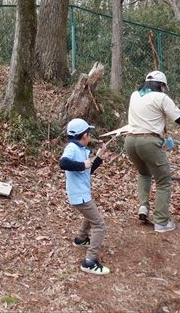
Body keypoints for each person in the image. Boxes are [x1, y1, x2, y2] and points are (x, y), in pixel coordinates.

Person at [124, 70, 180, 233]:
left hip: (130, 141)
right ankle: (162, 221)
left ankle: (143, 206)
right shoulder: (161, 97)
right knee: (163, 180)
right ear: (161, 85)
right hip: (149, 141)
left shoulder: (134, 95)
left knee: (144, 173)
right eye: (164, 87)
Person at [59, 118, 110, 275]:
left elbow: (88, 170)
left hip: (82, 194)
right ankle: (90, 261)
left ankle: (81, 239)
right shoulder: (72, 148)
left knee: (90, 216)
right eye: (89, 134)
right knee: (99, 224)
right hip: (79, 195)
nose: (90, 136)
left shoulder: (80, 149)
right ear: (84, 135)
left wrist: (100, 157)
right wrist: (82, 165)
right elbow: (63, 163)